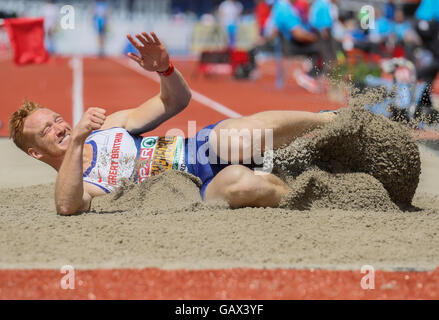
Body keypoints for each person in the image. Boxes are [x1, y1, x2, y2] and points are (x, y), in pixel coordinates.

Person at [8, 31, 336, 216]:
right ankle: (315, 195)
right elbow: (66, 206)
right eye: (47, 130)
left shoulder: (109, 127)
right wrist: (78, 139)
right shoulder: (82, 186)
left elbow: (174, 101)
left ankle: (326, 121)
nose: (59, 126)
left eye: (56, 118)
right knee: (242, 184)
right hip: (198, 190)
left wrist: (165, 70)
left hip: (201, 149)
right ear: (37, 152)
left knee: (236, 138)